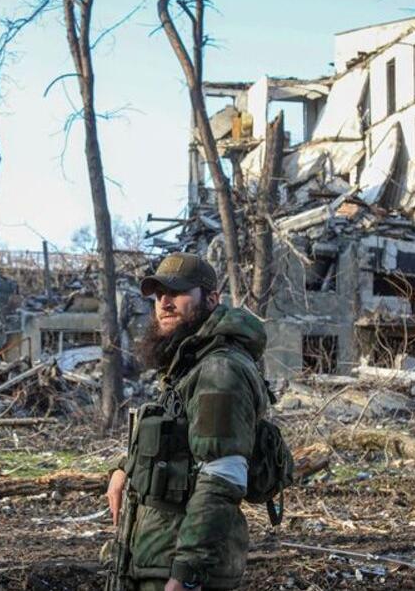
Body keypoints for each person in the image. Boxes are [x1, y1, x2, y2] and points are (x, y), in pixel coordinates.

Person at [106, 252, 268, 591]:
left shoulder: (220, 371)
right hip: (159, 558)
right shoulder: (188, 364)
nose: (164, 303)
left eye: (177, 292)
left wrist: (186, 575)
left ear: (211, 299)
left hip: (182, 570)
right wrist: (124, 468)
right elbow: (177, 443)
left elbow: (222, 478)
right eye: (159, 294)